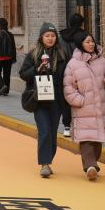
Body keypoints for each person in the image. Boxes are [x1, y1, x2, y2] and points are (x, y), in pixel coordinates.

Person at [19, 22, 69, 178]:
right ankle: (45, 164)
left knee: (52, 133)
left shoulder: (62, 55)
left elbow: (68, 75)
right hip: (39, 99)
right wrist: (36, 69)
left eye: (53, 36)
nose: (50, 38)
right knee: (45, 131)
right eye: (47, 35)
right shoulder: (34, 54)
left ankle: (48, 160)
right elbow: (23, 74)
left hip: (57, 100)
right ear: (41, 37)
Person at [64, 34, 105, 180]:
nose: (91, 44)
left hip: (100, 106)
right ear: (80, 44)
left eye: (92, 41)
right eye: (87, 42)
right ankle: (90, 166)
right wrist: (80, 101)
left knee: (98, 140)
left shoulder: (102, 61)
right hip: (83, 109)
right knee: (86, 139)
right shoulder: (73, 64)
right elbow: (68, 87)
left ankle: (92, 163)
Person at [58, 13, 88, 136]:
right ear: (82, 23)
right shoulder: (84, 36)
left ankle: (67, 126)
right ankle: (82, 125)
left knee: (67, 98)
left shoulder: (61, 37)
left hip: (65, 71)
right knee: (83, 97)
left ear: (69, 23)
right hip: (82, 71)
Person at [0, 17, 16, 96]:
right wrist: (14, 58)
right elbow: (13, 47)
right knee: (7, 74)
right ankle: (6, 91)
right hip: (9, 57)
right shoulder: (11, 35)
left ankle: (2, 86)